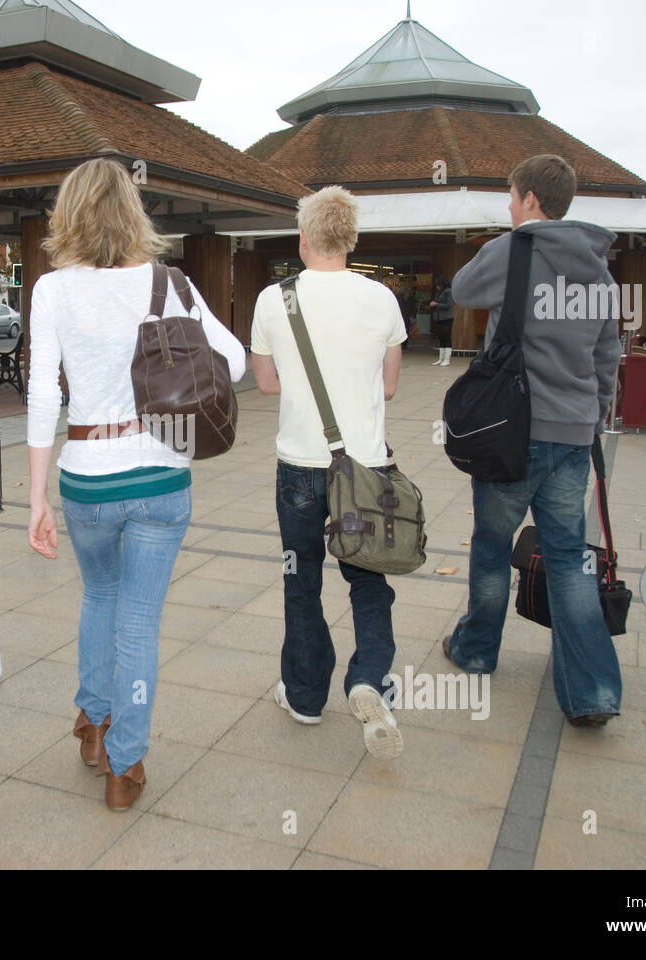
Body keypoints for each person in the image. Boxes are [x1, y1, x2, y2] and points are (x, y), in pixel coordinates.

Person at [26, 157, 246, 811]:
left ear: (68, 213)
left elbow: (43, 394)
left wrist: (35, 498)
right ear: (133, 212)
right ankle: (125, 769)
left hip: (86, 479)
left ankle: (93, 726)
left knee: (100, 598)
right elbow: (231, 360)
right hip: (159, 471)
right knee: (139, 624)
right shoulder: (169, 282)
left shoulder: (52, 289)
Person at [442, 154, 622, 727]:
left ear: (529, 200)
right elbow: (606, 355)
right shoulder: (599, 267)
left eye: (512, 195)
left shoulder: (514, 249)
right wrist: (594, 414)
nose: (509, 204)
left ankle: (475, 651)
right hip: (573, 434)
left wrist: (509, 241)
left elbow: (462, 290)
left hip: (510, 435)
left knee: (493, 549)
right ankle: (591, 692)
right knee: (569, 561)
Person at [250, 185, 406, 760]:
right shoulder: (382, 299)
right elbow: (388, 385)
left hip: (299, 468)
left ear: (304, 237)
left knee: (302, 580)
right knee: (369, 579)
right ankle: (368, 678)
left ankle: (306, 694)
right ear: (351, 239)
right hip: (366, 468)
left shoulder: (275, 299)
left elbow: (266, 383)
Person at [428, 276, 454, 365]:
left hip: (447, 318)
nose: (437, 287)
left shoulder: (449, 292)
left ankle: (447, 359)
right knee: (441, 338)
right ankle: (441, 358)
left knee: (447, 337)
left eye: (438, 285)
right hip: (439, 317)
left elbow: (448, 305)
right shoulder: (438, 293)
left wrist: (437, 304)